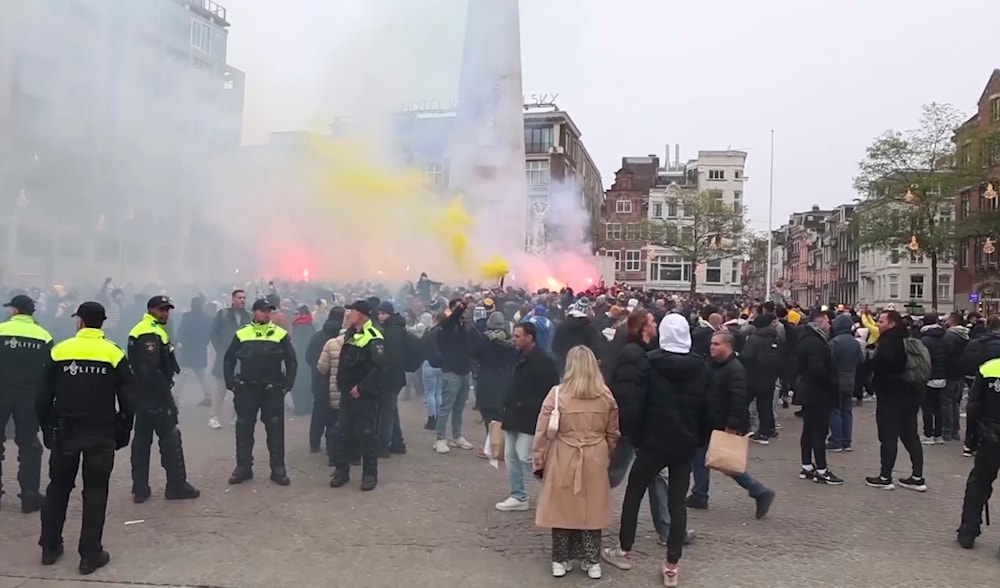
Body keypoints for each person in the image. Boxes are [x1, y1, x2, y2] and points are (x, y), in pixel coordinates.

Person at [602, 314, 711, 588]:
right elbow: (708, 411)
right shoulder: (701, 367)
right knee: (677, 503)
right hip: (684, 445)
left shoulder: (649, 364)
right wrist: (698, 440)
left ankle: (625, 551)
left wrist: (637, 438)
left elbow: (636, 406)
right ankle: (672, 565)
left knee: (634, 494)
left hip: (652, 442)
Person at [36, 301, 134, 575]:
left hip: (65, 431)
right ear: (102, 323)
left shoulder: (60, 350)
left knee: (57, 488)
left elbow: (42, 396)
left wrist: (45, 427)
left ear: (79, 321)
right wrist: (124, 430)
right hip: (101, 432)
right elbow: (128, 397)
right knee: (95, 492)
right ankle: (90, 555)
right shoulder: (114, 354)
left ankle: (49, 548)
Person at [532, 346, 620, 579]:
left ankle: (560, 559)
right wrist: (605, 453)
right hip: (595, 454)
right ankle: (592, 560)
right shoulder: (606, 395)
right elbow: (613, 433)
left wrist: (539, 460)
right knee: (591, 507)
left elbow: (542, 431)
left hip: (564, 452)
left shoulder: (557, 394)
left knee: (561, 505)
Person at [604, 310, 690, 545]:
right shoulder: (634, 353)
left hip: (639, 428)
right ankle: (582, 511)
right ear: (644, 326)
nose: (657, 324)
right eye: (653, 321)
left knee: (654, 477)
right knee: (612, 474)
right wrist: (633, 426)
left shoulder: (642, 352)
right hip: (632, 428)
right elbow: (627, 392)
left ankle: (668, 530)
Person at [689, 331, 777, 511]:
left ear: (728, 346)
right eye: (711, 343)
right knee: (700, 457)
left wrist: (732, 424)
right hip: (708, 421)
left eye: (716, 344)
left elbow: (739, 398)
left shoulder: (735, 369)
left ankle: (759, 491)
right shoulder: (713, 365)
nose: (712, 347)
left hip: (722, 422)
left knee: (726, 462)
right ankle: (699, 494)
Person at [127, 296, 199, 503]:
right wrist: (165, 398)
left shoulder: (147, 328)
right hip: (154, 396)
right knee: (169, 440)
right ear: (150, 310)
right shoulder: (149, 332)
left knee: (142, 441)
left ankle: (140, 489)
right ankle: (176, 486)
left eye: (167, 309)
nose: (165, 313)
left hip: (143, 395)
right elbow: (149, 370)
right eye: (161, 309)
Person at [223, 298, 297, 486]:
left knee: (275, 429)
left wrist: (288, 383)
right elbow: (229, 358)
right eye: (263, 311)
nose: (266, 314)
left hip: (272, 388)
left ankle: (278, 469)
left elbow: (291, 360)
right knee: (243, 427)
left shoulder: (279, 334)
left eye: (269, 311)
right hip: (247, 387)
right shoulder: (242, 333)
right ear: (254, 312)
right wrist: (230, 381)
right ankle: (243, 467)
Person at [495, 322, 559, 512]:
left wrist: (534, 407)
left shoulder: (544, 361)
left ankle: (555, 492)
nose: (514, 339)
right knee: (511, 456)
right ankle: (518, 495)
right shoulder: (517, 356)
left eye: (517, 336)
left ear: (529, 337)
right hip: (513, 413)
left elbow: (551, 390)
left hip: (530, 416)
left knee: (526, 457)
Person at [0, 294, 52, 513]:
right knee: (30, 446)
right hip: (29, 396)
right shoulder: (43, 335)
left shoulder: (1, 330)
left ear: (13, 310)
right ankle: (29, 496)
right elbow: (49, 371)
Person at [866, 310, 926, 491]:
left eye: (882, 321)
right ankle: (917, 477)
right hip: (910, 395)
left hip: (891, 396)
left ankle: (885, 477)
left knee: (888, 437)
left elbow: (884, 367)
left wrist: (872, 376)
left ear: (892, 324)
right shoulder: (908, 338)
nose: (878, 324)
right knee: (911, 436)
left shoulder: (888, 343)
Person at [330, 300, 387, 491]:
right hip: (347, 393)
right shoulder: (350, 334)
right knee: (342, 432)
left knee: (366, 433)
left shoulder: (374, 336)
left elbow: (379, 367)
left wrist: (361, 387)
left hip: (364, 396)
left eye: (351, 312)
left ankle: (369, 475)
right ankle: (341, 472)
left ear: (360, 314)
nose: (348, 315)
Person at [956, 356, 1000, 550]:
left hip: (991, 435)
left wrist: (971, 437)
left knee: (979, 483)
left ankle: (968, 530)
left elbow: (973, 406)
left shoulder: (989, 368)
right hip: (991, 434)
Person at [795, 310, 843, 485]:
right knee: (819, 430)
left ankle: (807, 465)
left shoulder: (806, 339)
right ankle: (822, 470)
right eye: (828, 322)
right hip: (818, 393)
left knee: (808, 429)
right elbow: (817, 369)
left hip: (809, 391)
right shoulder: (816, 342)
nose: (830, 325)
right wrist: (833, 381)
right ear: (820, 322)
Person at [208, 289, 251, 430]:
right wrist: (220, 348)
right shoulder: (222, 315)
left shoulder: (249, 317)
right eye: (239, 297)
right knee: (221, 388)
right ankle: (214, 417)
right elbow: (213, 333)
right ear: (233, 300)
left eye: (244, 297)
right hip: (225, 356)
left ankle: (236, 416)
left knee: (240, 389)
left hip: (242, 357)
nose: (242, 300)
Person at [375, 301, 408, 457]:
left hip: (390, 377)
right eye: (379, 313)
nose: (381, 316)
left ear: (390, 313)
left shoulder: (391, 331)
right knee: (391, 410)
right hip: (397, 377)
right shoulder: (397, 328)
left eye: (383, 313)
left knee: (386, 412)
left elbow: (390, 357)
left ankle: (383, 446)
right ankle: (397, 442)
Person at [827, 312, 863, 452]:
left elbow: (830, 361)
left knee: (835, 410)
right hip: (850, 380)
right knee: (847, 411)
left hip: (837, 380)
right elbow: (861, 359)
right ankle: (846, 441)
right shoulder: (855, 343)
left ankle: (835, 440)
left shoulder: (835, 342)